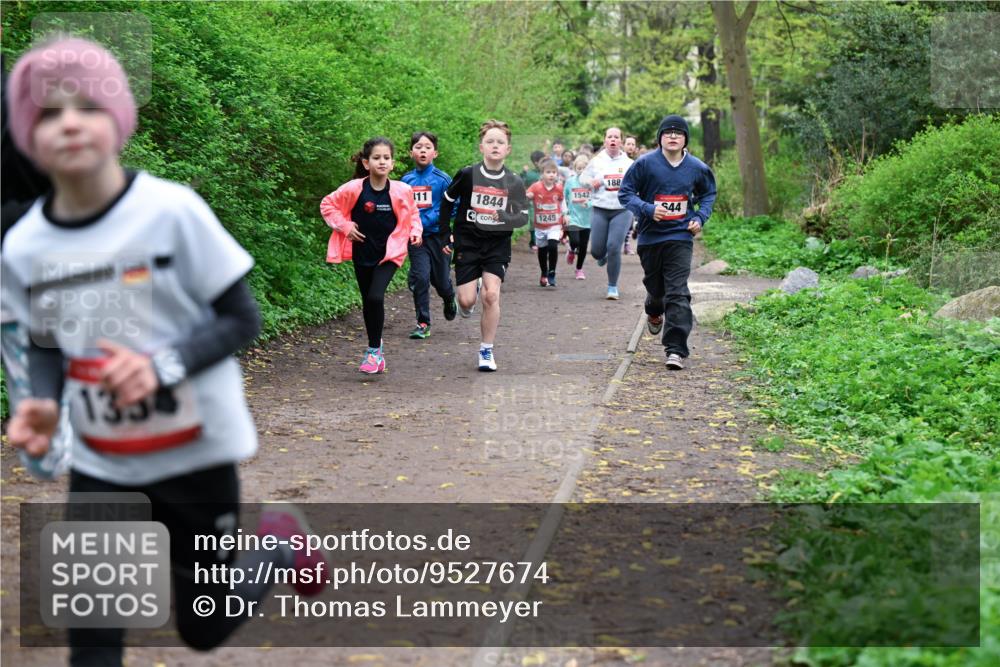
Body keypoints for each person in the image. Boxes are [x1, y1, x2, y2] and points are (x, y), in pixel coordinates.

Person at [2, 37, 327, 666]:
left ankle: (278, 543)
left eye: (88, 106)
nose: (68, 121)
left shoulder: (172, 212)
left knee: (202, 629)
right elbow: (45, 341)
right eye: (47, 112)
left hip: (195, 457)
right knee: (93, 646)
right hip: (104, 467)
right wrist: (44, 401)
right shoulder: (23, 248)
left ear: (119, 120)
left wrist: (159, 367)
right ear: (25, 133)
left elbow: (240, 317)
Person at [619, 114, 717, 370]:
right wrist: (647, 209)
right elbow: (625, 193)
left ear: (685, 139)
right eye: (668, 132)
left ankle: (675, 349)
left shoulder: (696, 167)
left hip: (680, 236)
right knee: (657, 291)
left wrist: (700, 217)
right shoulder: (645, 164)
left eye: (678, 132)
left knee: (677, 292)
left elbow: (708, 194)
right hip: (651, 237)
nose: (673, 136)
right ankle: (653, 307)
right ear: (660, 138)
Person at [321, 137, 422, 373]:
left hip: (390, 253)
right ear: (366, 163)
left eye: (386, 158)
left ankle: (374, 352)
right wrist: (345, 226)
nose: (382, 162)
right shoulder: (354, 189)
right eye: (377, 158)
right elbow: (327, 205)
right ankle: (375, 348)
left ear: (393, 163)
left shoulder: (401, 190)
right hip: (362, 252)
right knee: (368, 301)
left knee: (376, 297)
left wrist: (415, 232)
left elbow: (413, 215)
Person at [438, 119, 528, 372]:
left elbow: (522, 216)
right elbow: (447, 201)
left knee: (492, 295)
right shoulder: (468, 175)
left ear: (508, 149)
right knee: (466, 302)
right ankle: (471, 292)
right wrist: (445, 234)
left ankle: (486, 350)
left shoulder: (513, 181)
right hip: (468, 241)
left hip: (497, 245)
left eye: (500, 142)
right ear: (481, 147)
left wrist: (503, 217)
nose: (495, 146)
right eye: (490, 141)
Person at [400, 131, 458, 339]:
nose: (422, 150)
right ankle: (423, 322)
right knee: (422, 278)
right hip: (417, 239)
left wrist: (430, 220)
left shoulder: (443, 180)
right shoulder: (406, 180)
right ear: (411, 153)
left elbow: (453, 206)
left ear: (435, 153)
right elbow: (401, 208)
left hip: (439, 237)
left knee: (441, 281)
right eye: (418, 147)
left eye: (427, 147)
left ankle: (449, 297)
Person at [581, 127, 634, 300]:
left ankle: (612, 287)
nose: (613, 139)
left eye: (616, 137)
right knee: (596, 251)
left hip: (622, 210)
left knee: (613, 247)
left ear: (621, 142)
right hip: (600, 208)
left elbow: (638, 183)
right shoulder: (597, 161)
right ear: (605, 141)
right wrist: (591, 182)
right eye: (609, 137)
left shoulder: (628, 163)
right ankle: (601, 256)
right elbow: (582, 178)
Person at [526, 159, 566, 287]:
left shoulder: (559, 188)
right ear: (542, 174)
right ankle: (544, 272)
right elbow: (527, 195)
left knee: (553, 246)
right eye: (548, 172)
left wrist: (566, 214)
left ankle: (552, 272)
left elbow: (562, 201)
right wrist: (528, 196)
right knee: (542, 251)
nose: (551, 175)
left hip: (554, 224)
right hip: (540, 226)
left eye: (554, 172)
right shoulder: (536, 186)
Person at [563, 154, 593, 280]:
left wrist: (589, 203)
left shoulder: (591, 183)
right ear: (575, 169)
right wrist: (565, 214)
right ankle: (571, 249)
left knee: (584, 247)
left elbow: (597, 198)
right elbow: (563, 198)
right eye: (579, 168)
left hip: (587, 219)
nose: (581, 171)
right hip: (573, 218)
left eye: (584, 169)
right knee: (575, 241)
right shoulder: (570, 182)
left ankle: (579, 269)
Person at [520, 149, 545, 250]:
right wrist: (523, 173)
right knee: (533, 221)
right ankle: (534, 241)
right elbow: (521, 182)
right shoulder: (530, 174)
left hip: (546, 202)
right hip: (532, 202)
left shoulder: (548, 172)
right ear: (536, 163)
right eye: (542, 161)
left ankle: (541, 240)